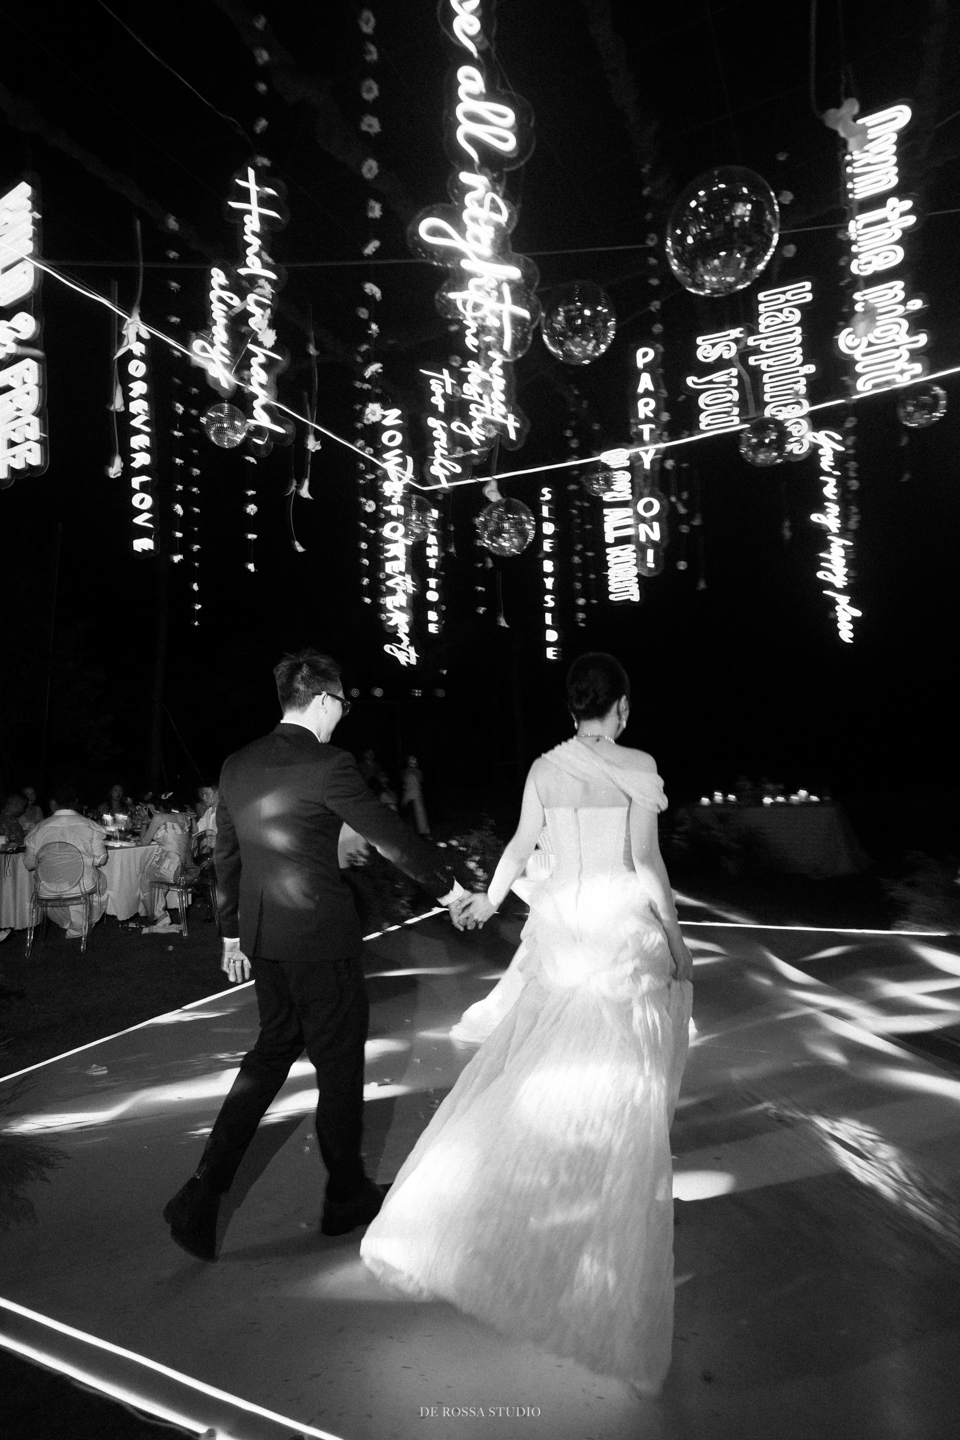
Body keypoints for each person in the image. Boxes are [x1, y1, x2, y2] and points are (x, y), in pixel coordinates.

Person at [361, 653, 694, 1397]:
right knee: (625, 1080)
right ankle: (606, 1207)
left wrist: (488, 899)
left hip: (563, 934)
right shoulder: (638, 766)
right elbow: (646, 864)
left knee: (541, 1069)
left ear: (573, 708)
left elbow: (518, 845)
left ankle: (515, 1199)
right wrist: (677, 942)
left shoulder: (546, 768)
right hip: (617, 931)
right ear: (622, 706)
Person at [162, 649, 470, 1262]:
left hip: (265, 939)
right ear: (325, 701)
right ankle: (345, 1197)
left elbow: (227, 857)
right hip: (320, 942)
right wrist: (453, 890)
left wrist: (231, 934)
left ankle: (201, 1193)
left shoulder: (237, 764)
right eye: (343, 705)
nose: (342, 716)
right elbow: (388, 834)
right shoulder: (329, 764)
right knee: (338, 1066)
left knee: (271, 1053)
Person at [23, 781, 109, 938]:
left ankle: (75, 924)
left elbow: (29, 864)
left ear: (53, 803)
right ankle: (82, 924)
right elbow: (101, 860)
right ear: (75, 802)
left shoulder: (37, 829)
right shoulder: (91, 826)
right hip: (81, 886)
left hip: (47, 887)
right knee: (100, 879)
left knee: (62, 880)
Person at [137, 808, 194, 934]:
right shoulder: (184, 816)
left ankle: (160, 915)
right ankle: (160, 914)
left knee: (145, 877)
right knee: (154, 871)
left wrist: (144, 823)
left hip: (171, 867)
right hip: (185, 866)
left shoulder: (159, 818)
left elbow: (144, 842)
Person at [399, 755, 430, 835]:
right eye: (411, 759)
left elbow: (420, 779)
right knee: (407, 814)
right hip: (408, 794)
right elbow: (403, 780)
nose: (413, 761)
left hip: (417, 794)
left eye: (414, 760)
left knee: (420, 814)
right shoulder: (405, 771)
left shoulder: (418, 771)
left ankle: (423, 832)